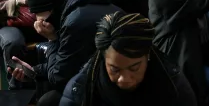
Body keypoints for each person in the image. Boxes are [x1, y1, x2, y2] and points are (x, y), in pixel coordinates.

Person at [9, 0, 122, 106]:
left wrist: (52, 39)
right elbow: (70, 61)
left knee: (49, 100)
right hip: (106, 77)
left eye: (41, 18)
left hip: (110, 88)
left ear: (51, 8)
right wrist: (35, 70)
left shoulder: (75, 22)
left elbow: (59, 78)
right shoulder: (83, 5)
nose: (39, 22)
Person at [60, 11, 196, 106]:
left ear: (148, 55)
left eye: (134, 68)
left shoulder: (173, 85)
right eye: (114, 69)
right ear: (103, 59)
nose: (124, 79)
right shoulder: (80, 90)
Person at [0, 0, 41, 89]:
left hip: (32, 20)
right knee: (13, 43)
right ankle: (16, 87)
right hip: (7, 23)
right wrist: (17, 1)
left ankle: (46, 81)